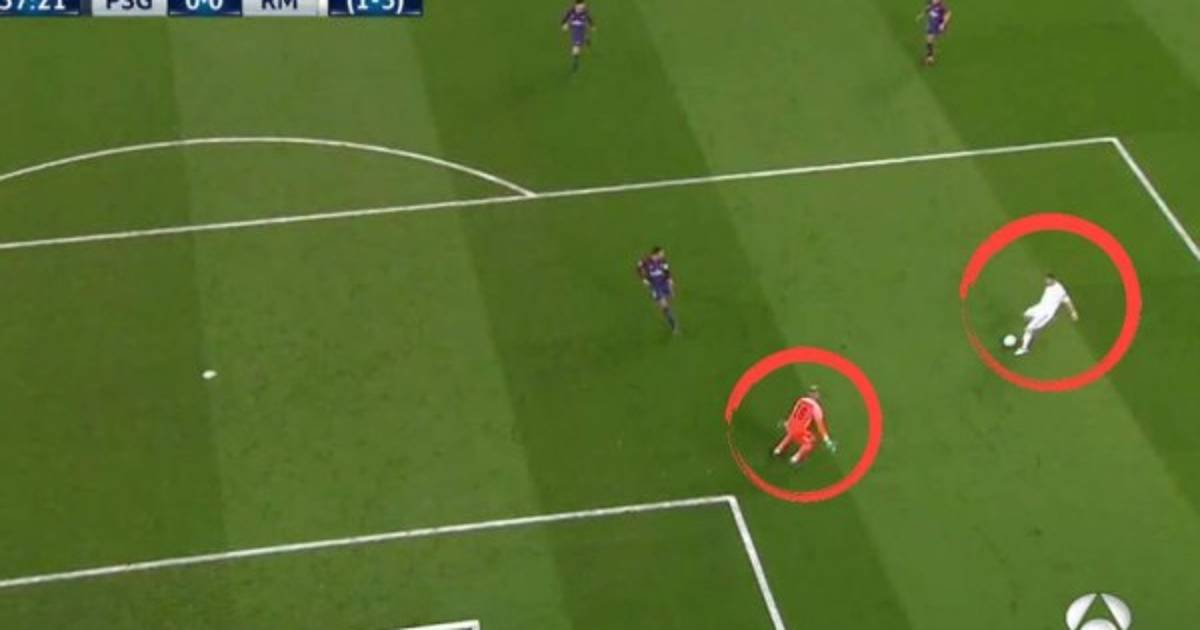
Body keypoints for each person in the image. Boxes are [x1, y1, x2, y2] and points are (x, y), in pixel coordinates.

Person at [1015, 273, 1079, 356]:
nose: (1046, 281)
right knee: (1025, 315)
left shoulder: (1060, 290)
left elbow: (1067, 300)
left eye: (1048, 280)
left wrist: (1073, 312)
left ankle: (1024, 348)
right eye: (1046, 280)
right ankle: (1030, 333)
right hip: (1040, 307)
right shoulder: (1049, 286)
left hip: (1046, 313)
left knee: (1029, 328)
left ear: (1053, 280)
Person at [772, 387, 836, 465]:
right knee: (810, 442)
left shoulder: (801, 400)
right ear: (816, 396)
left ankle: (778, 449)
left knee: (791, 433)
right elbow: (820, 426)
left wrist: (787, 422)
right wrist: (827, 440)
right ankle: (795, 459)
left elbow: (794, 412)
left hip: (790, 425)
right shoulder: (816, 408)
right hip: (799, 431)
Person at [635, 246, 678, 333]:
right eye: (661, 253)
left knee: (669, 300)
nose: (663, 255)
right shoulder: (645, 261)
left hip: (664, 284)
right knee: (664, 306)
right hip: (655, 286)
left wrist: (670, 281)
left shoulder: (663, 261)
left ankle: (665, 309)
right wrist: (644, 280)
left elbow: (666, 271)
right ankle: (674, 326)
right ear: (656, 254)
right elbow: (638, 269)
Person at [561, 1, 595, 73]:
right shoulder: (571, 10)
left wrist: (592, 25)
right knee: (576, 45)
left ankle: (586, 38)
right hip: (574, 28)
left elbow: (589, 18)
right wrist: (564, 24)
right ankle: (575, 60)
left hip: (582, 27)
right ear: (576, 5)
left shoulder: (585, 11)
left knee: (582, 38)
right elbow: (565, 17)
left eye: (582, 5)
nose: (581, 7)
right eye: (580, 5)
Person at [918, 0, 952, 65]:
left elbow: (948, 14)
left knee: (930, 39)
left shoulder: (942, 6)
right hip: (931, 24)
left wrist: (943, 24)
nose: (934, 0)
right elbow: (928, 8)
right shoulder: (930, 2)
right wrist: (922, 14)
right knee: (929, 39)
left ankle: (930, 57)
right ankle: (930, 56)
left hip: (937, 25)